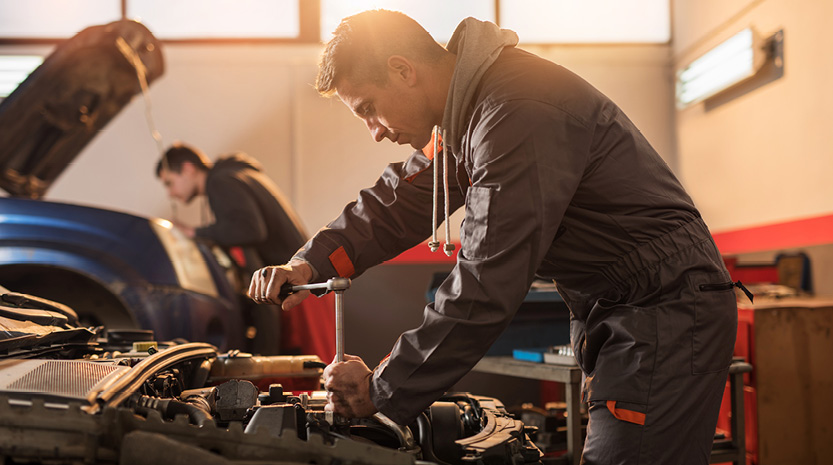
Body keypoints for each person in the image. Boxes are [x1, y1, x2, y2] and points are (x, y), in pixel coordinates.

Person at [250, 10, 739, 464]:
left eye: (370, 109)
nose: (374, 131)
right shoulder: (470, 112)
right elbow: (399, 201)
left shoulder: (514, 111)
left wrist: (382, 389)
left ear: (403, 70)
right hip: (621, 308)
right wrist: (309, 264)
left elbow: (486, 279)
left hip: (664, 306)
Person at [157, 142, 308, 355]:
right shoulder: (233, 175)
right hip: (299, 279)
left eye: (169, 183)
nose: (170, 193)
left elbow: (249, 230)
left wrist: (193, 233)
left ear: (188, 169)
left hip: (297, 286)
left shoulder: (220, 181)